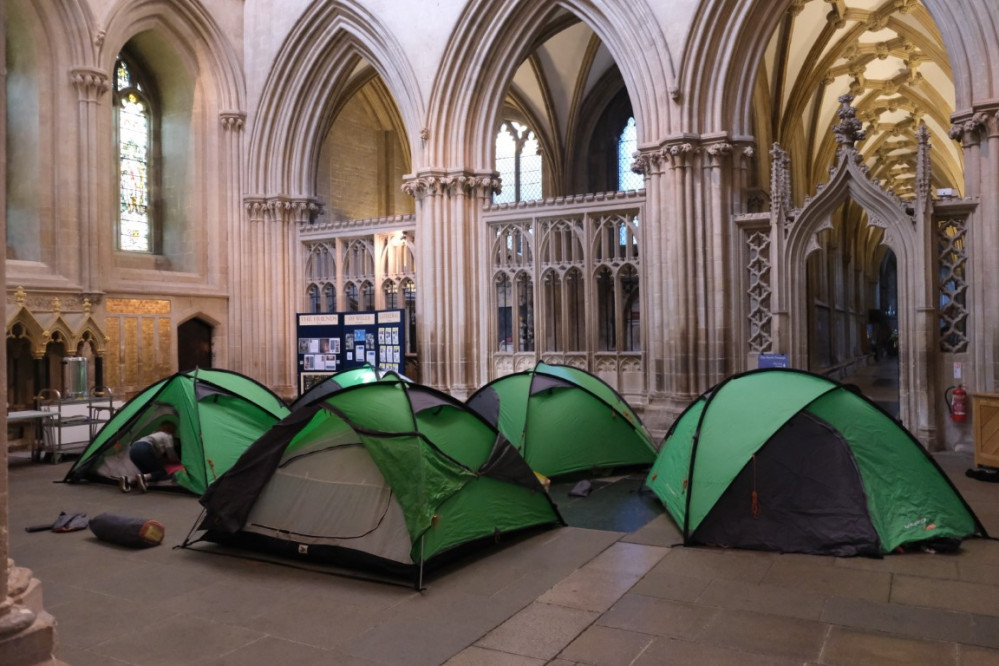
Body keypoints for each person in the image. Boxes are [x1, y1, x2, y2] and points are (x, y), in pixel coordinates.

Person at [121, 422, 180, 493]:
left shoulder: (154, 434)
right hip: (144, 448)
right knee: (161, 472)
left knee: (149, 474)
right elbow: (171, 453)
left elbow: (155, 455)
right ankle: (142, 478)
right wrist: (178, 461)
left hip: (133, 450)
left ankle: (128, 480)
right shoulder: (168, 435)